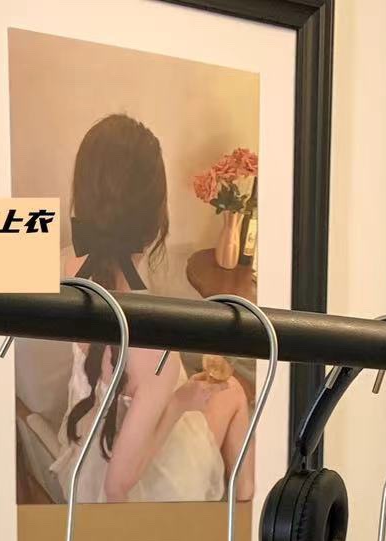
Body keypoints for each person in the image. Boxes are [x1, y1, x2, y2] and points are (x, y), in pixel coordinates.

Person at [50, 114, 255, 505]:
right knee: (233, 392)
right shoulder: (154, 343)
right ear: (155, 216)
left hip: (86, 454)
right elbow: (117, 487)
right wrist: (180, 403)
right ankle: (246, 512)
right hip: (136, 491)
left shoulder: (67, 266)